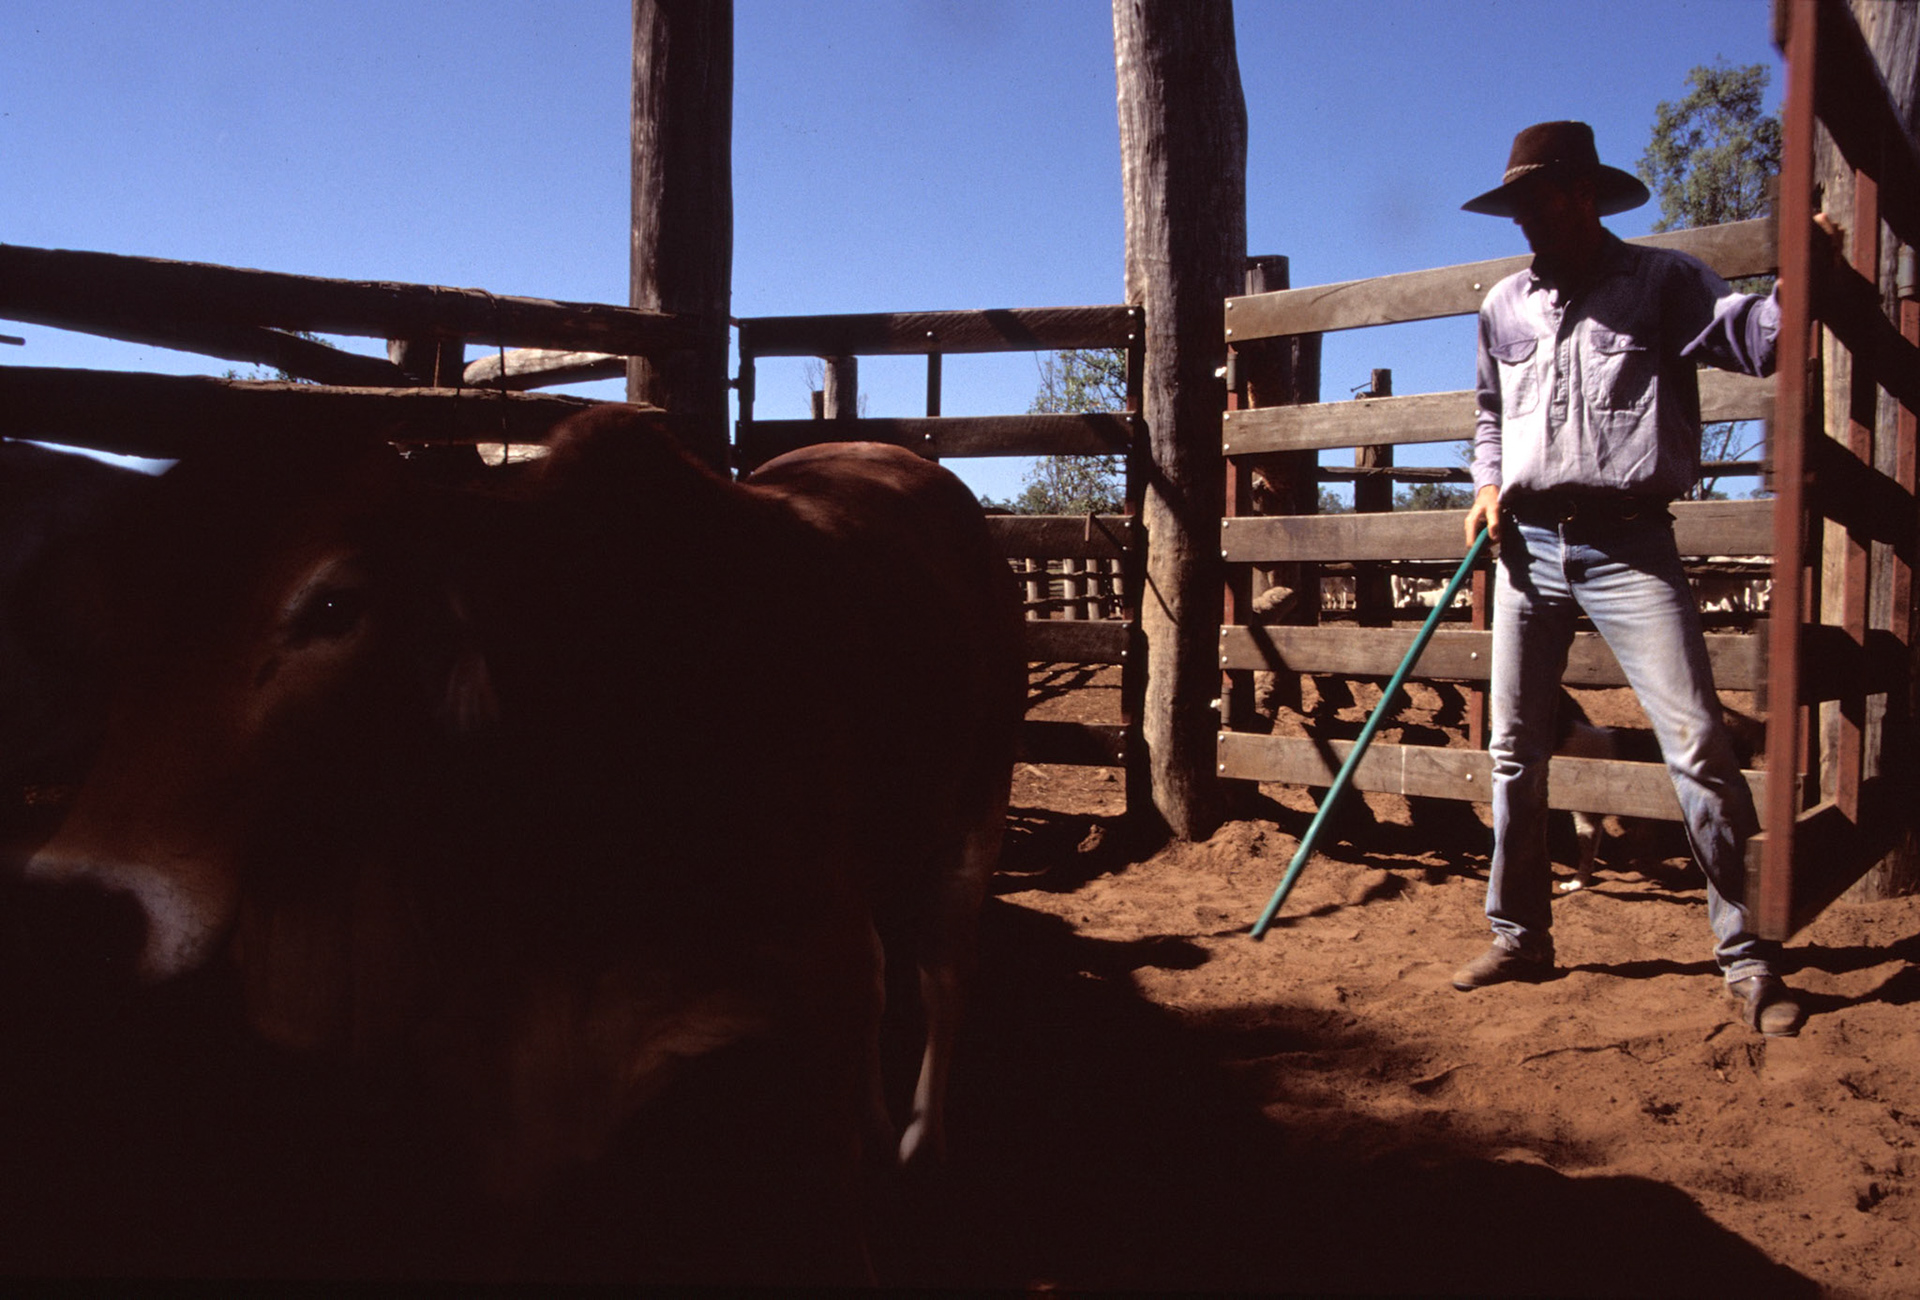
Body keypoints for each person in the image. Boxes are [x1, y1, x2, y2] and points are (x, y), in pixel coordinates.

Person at [1452, 120, 1803, 1037]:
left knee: (1697, 745)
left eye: (1538, 200)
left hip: (1631, 544)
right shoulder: (1504, 306)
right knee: (1514, 751)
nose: (1526, 220)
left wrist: (1803, 284)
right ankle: (1520, 935)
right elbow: (1488, 413)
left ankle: (1748, 955)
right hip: (1529, 546)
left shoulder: (1663, 282)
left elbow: (1756, 340)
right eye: (1517, 206)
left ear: (1583, 195)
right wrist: (1487, 486)